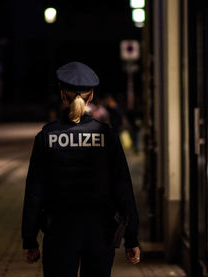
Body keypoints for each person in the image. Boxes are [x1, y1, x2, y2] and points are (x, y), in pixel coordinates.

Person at [22, 61, 140, 277]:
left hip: (59, 231)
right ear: (91, 96)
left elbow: (34, 193)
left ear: (62, 95)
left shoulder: (46, 137)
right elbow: (123, 187)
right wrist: (132, 237)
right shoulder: (107, 135)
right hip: (100, 232)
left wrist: (29, 239)